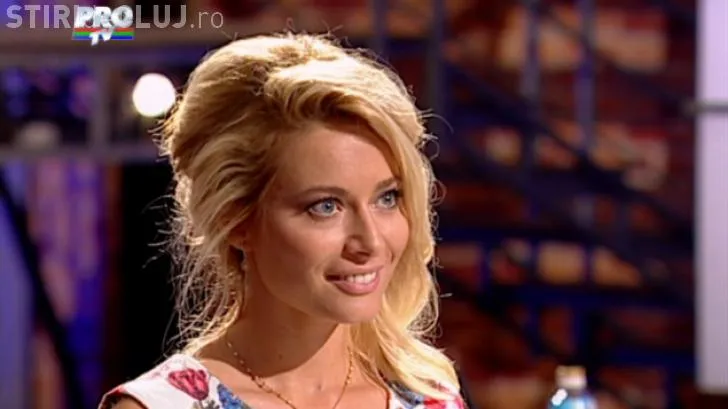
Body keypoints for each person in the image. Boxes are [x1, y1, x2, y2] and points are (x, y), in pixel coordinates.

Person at [100, 32, 467, 409]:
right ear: (236, 219)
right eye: (326, 206)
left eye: (387, 198)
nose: (371, 242)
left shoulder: (433, 399)